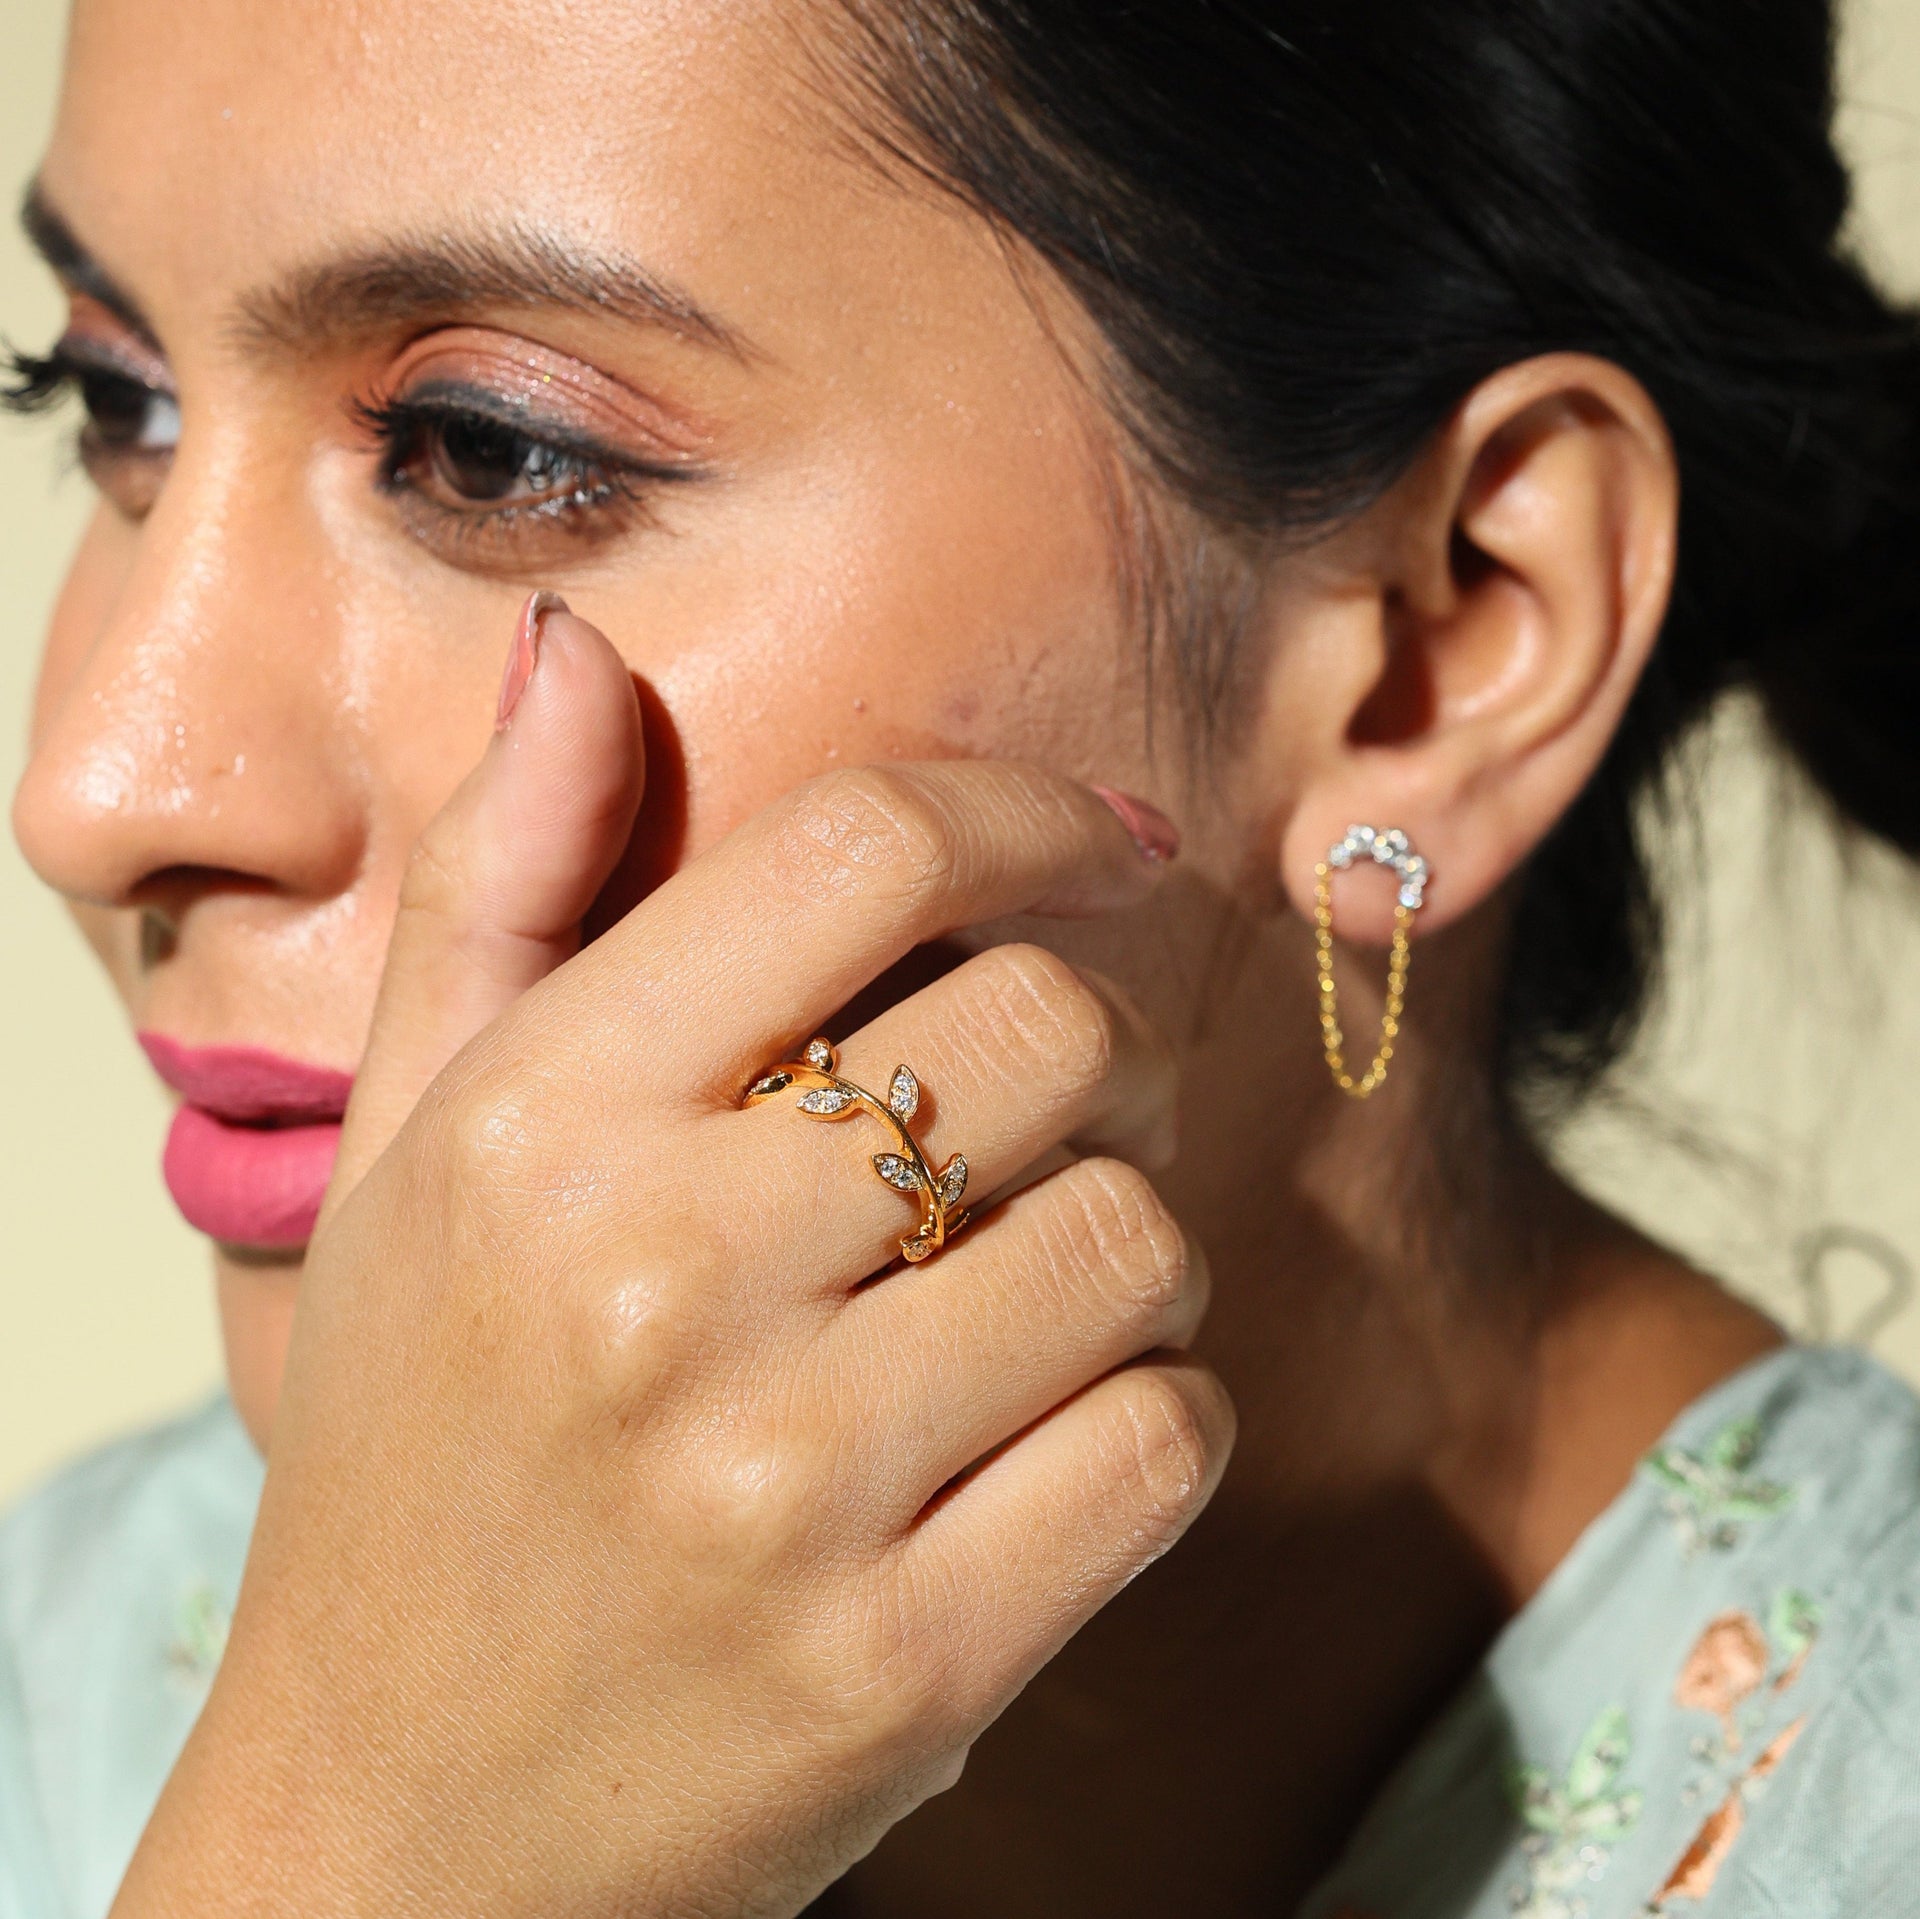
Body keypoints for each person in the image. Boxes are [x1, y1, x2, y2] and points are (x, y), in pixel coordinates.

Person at [4, 0, 1917, 1912]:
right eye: (118, 401)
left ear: (1446, 642)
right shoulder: (68, 1689)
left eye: (490, 450)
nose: (97, 783)